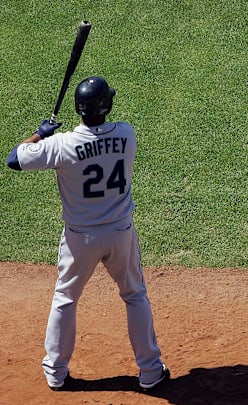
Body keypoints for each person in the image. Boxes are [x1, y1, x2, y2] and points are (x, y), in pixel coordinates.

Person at [6, 76, 169, 391]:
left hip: (80, 239)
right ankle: (150, 371)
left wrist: (41, 133)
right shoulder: (126, 133)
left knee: (65, 297)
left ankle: (55, 373)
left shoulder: (62, 145)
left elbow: (15, 159)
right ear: (106, 106)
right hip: (121, 233)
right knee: (135, 295)